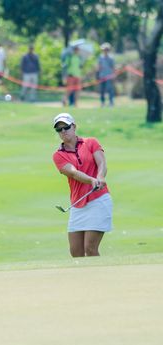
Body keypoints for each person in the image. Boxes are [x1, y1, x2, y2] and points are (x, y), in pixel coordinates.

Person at [52, 113, 113, 257]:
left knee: (90, 248)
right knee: (76, 252)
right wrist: (92, 180)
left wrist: (100, 177)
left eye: (66, 127)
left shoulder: (91, 142)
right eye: (59, 130)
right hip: (78, 204)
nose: (63, 132)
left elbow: (102, 163)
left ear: (74, 126)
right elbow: (73, 173)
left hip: (98, 200)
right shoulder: (58, 155)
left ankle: (99, 279)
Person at [97, 42, 115, 107]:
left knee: (110, 89)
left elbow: (113, 67)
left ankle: (111, 102)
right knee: (102, 90)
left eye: (106, 49)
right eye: (104, 49)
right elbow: (99, 66)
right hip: (102, 76)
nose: (105, 51)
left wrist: (113, 75)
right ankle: (102, 102)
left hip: (109, 76)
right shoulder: (100, 57)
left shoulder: (111, 58)